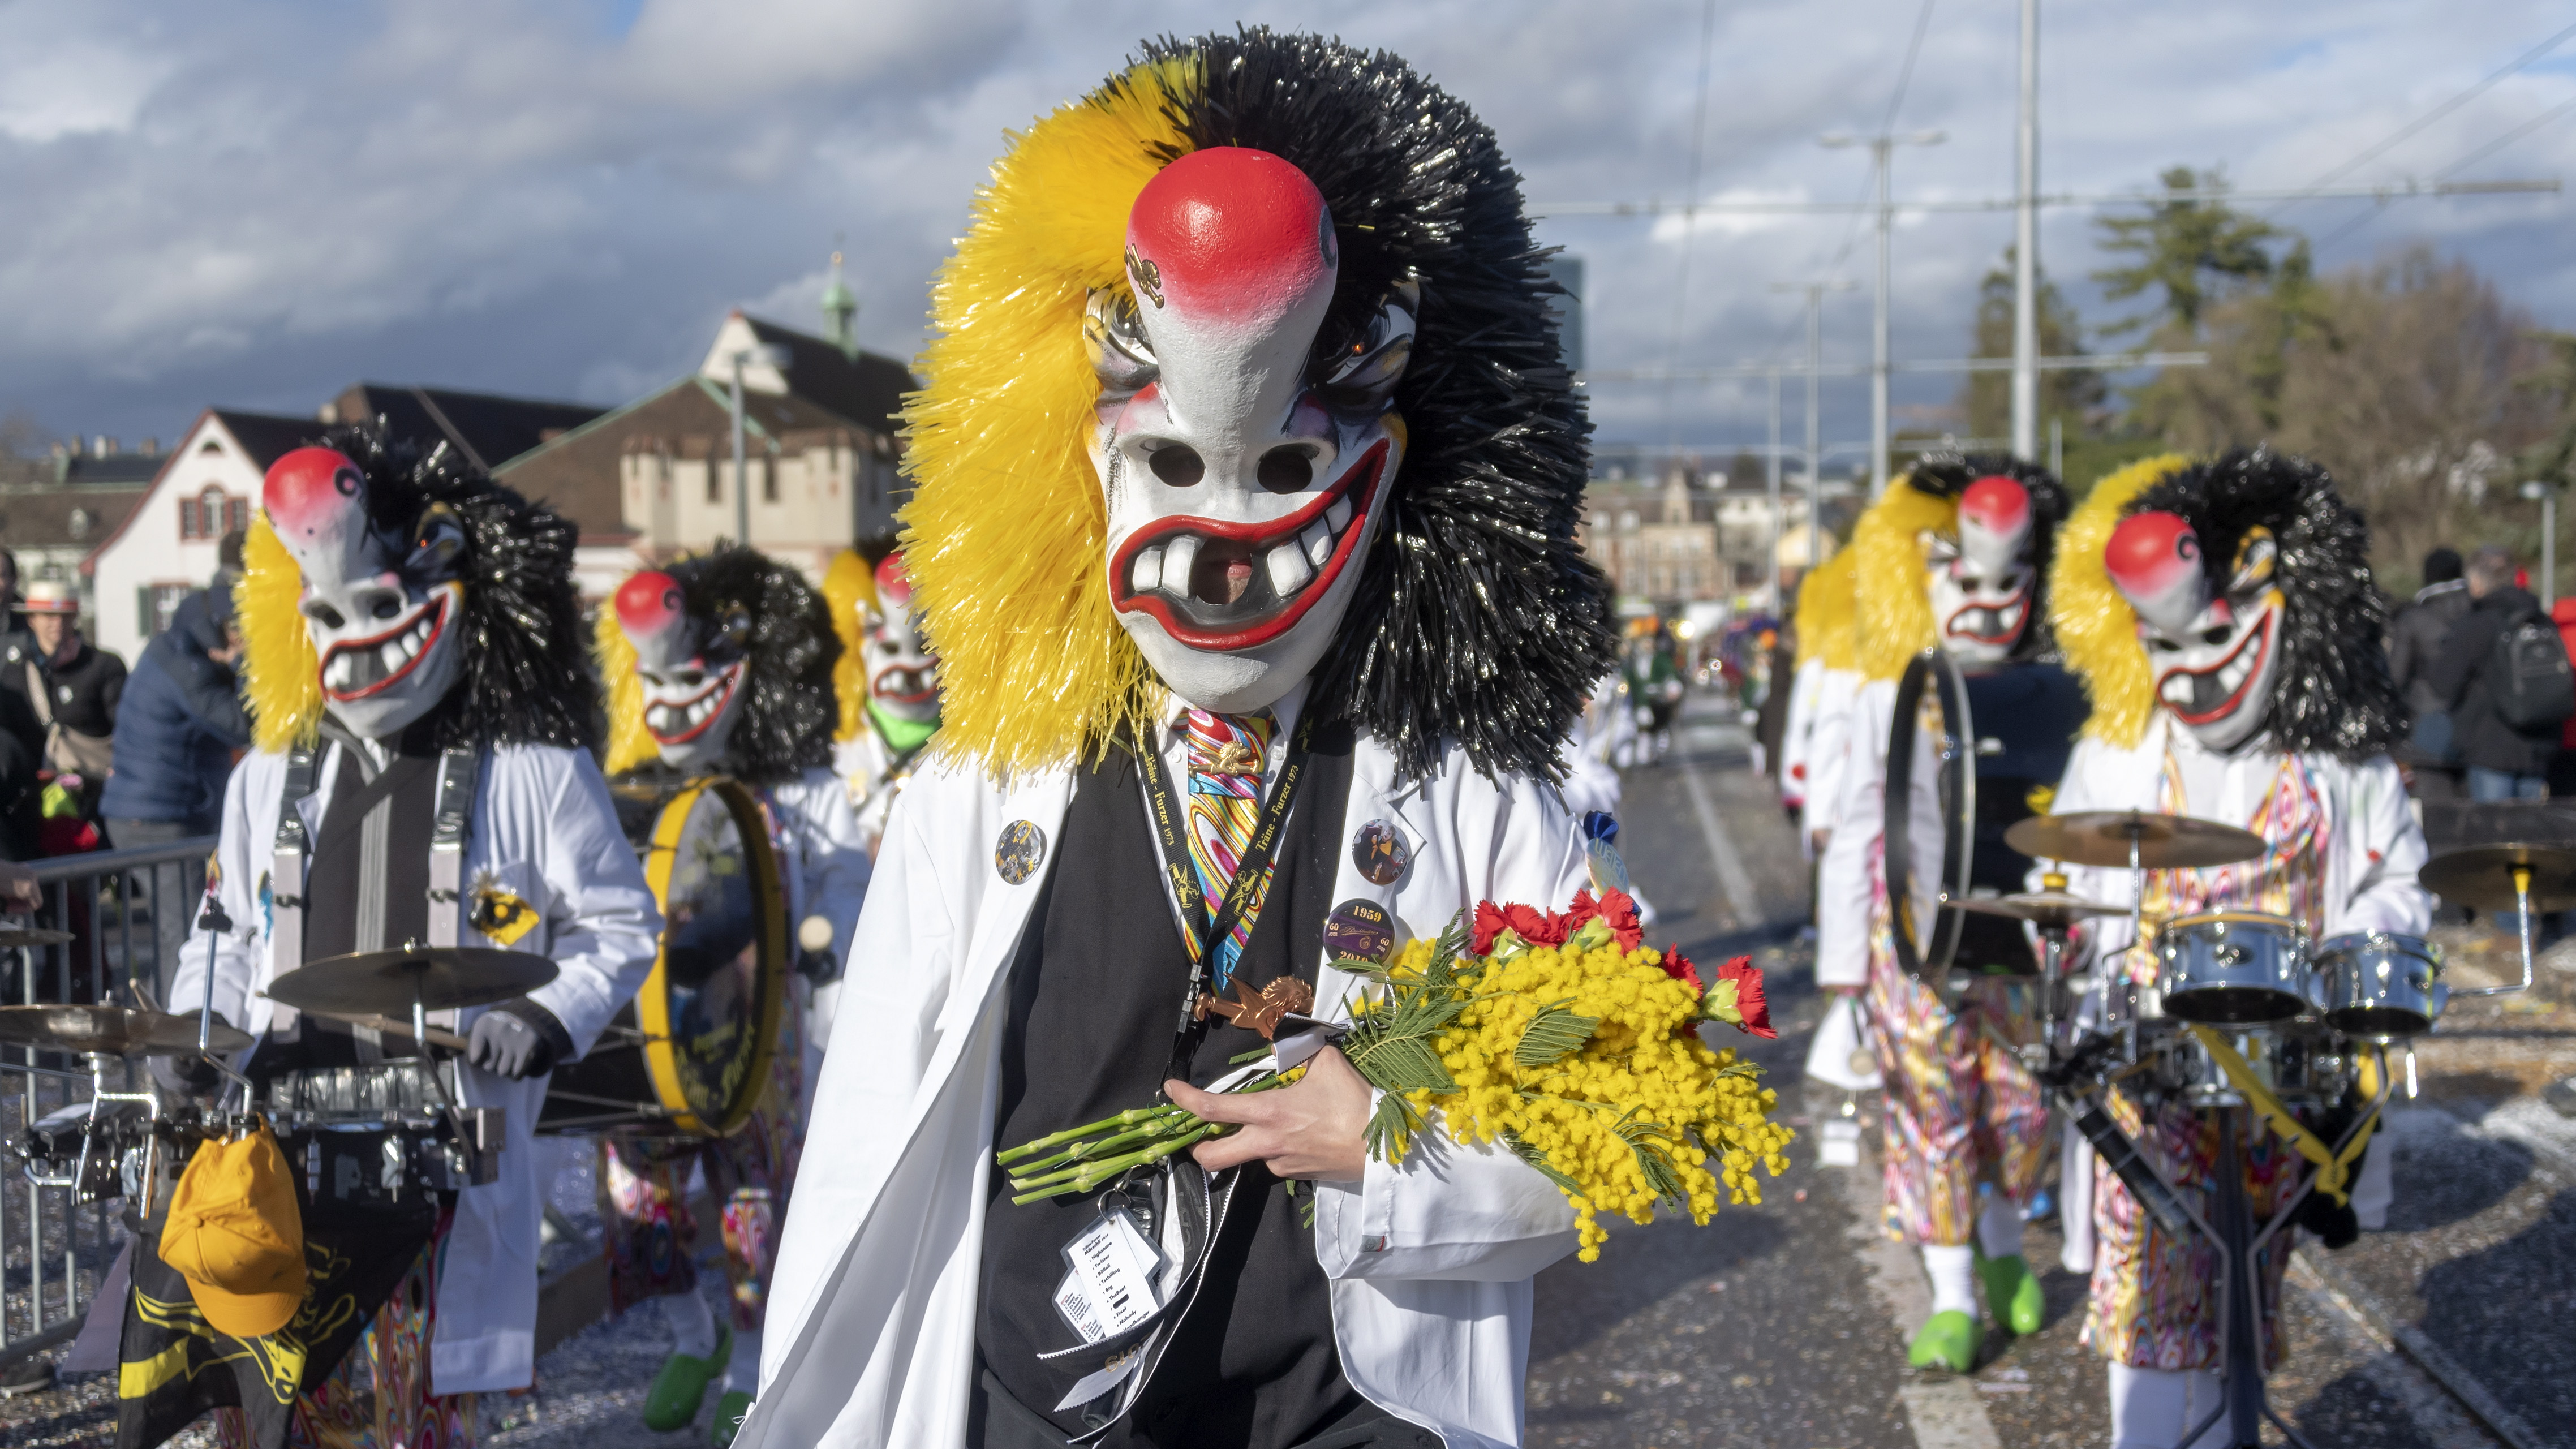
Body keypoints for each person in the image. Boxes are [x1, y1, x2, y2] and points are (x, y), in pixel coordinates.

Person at [738, 30, 1616, 1448]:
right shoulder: (976, 788)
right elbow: (865, 1148)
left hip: (1353, 1406)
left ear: (1378, 475)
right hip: (1038, 1394)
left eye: (1284, 469)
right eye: (1171, 464)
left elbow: (1612, 1109)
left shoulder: (1474, 792)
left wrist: (1392, 1148)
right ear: (1091, 467)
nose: (1227, 549)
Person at [147, 428, 660, 1446]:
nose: (359, 634)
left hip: (441, 1165)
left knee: (416, 1414)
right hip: (279, 1161)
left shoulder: (537, 771)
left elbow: (619, 924)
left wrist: (542, 1015)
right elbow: (225, 932)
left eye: (380, 605)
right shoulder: (264, 778)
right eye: (330, 615)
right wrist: (193, 1028)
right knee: (271, 1411)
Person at [2042, 450, 2427, 1448]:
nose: (2195, 668)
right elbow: (2073, 890)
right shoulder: (2114, 752)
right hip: (2147, 1062)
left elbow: (2390, 879)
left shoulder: (2339, 756)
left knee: (2243, 1296)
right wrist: (2064, 940)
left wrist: (2367, 947)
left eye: (2213, 634)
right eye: (2163, 646)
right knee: (2151, 1287)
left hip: (2286, 1072)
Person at [594, 548, 872, 1444]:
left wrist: (830, 928)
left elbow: (842, 878)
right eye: (657, 677)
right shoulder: (621, 792)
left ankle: (754, 1368)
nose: (676, 697)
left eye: (698, 672)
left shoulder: (807, 788)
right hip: (655, 1034)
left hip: (766, 1031)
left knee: (756, 1203)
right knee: (637, 1202)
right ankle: (692, 1335)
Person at [1814, 456, 2083, 1370]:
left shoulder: (2056, 691)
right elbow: (1859, 825)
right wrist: (1845, 965)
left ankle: (2006, 1249)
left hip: (2022, 941)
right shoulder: (1883, 691)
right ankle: (1953, 1294)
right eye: (1962, 577)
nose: (1983, 599)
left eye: (2007, 579)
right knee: (1929, 1112)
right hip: (1914, 943)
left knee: (2016, 1109)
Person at [101, 581, 252, 994]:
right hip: (159, 819)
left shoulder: (172, 649)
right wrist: (245, 667)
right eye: (242, 629)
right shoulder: (186, 666)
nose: (246, 639)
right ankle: (172, 1045)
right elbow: (241, 724)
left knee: (176, 928)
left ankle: (169, 1032)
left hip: (148, 811)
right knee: (183, 931)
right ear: (220, 626)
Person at [823, 547, 942, 858]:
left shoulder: (975, 750)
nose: (910, 666)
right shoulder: (837, 753)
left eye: (925, 647)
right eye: (891, 649)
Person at [2426, 543, 2562, 803]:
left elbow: (2443, 683)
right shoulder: (2541, 620)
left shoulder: (2476, 626)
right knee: (2532, 834)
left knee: (2495, 835)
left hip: (2489, 749)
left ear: (2476, 582)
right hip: (2539, 745)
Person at [5, 579, 126, 834]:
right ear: (31, 619)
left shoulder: (105, 667)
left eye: (65, 616)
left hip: (95, 797)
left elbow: (126, 727)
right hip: (33, 801)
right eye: (48, 615)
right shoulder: (13, 672)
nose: (57, 623)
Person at [2387, 547, 2469, 790]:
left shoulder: (2413, 620)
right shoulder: (2479, 613)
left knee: (2436, 819)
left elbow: (2395, 678)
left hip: (2426, 732)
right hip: (2476, 733)